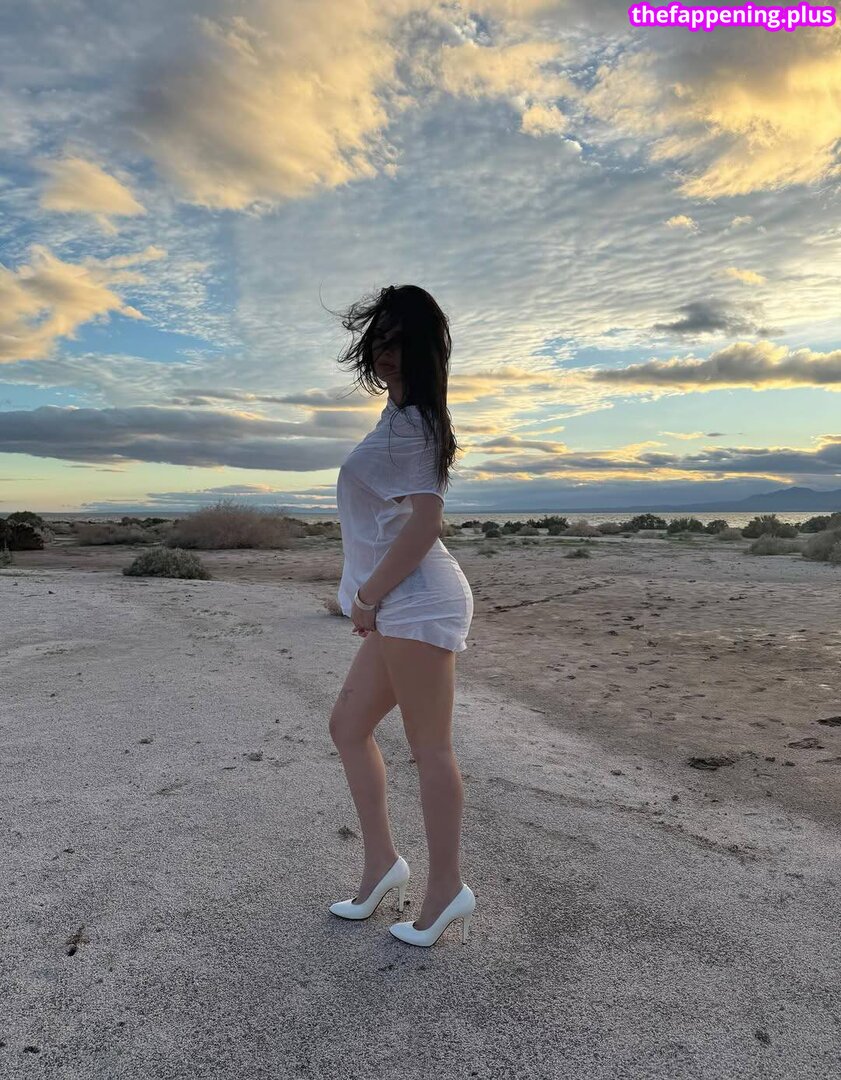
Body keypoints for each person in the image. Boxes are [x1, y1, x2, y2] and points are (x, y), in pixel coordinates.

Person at [327, 284, 475, 947]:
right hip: (398, 601)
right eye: (379, 338)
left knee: (430, 748)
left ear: (425, 349)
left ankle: (446, 890)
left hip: (416, 599)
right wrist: (371, 598)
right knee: (347, 727)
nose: (387, 351)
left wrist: (368, 597)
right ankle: (382, 864)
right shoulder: (397, 418)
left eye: (400, 339)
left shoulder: (416, 423)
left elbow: (424, 523)